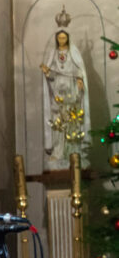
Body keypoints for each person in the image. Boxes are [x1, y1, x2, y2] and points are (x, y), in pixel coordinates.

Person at [40, 26, 90, 170]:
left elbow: (79, 69)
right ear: (56, 39)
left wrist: (80, 79)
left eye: (64, 37)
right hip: (58, 94)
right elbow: (51, 75)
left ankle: (73, 152)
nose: (62, 40)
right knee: (58, 125)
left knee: (72, 123)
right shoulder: (53, 54)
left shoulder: (73, 53)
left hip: (72, 93)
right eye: (59, 38)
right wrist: (47, 72)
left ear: (68, 37)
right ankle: (58, 152)